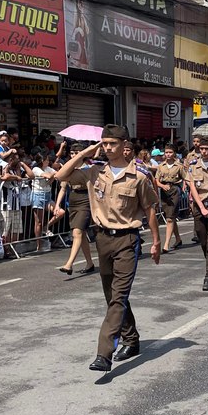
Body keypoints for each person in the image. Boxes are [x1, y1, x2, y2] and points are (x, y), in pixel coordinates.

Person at [54, 124, 161, 375]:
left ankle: (104, 354)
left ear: (125, 146)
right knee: (113, 295)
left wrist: (156, 242)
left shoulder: (140, 176)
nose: (107, 148)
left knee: (118, 296)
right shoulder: (94, 172)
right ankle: (131, 338)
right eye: (104, 143)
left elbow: (150, 210)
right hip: (102, 239)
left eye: (112, 143)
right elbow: (60, 177)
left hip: (127, 240)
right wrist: (82, 154)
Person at [53, 143, 96, 275]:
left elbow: (92, 189)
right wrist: (57, 205)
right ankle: (90, 263)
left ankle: (69, 264)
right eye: (71, 153)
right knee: (80, 234)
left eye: (76, 153)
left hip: (85, 200)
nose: (73, 155)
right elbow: (63, 187)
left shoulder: (89, 168)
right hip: (73, 199)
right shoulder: (69, 169)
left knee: (77, 232)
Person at [187, 138, 208, 292]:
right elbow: (192, 188)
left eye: (207, 148)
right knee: (203, 242)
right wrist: (201, 208)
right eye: (201, 148)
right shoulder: (194, 165)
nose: (204, 151)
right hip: (199, 206)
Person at [155, 145, 186, 253]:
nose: (168, 154)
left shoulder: (179, 166)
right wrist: (162, 186)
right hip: (164, 191)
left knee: (169, 218)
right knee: (170, 216)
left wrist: (183, 186)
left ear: (174, 154)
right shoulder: (161, 166)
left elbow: (185, 178)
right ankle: (178, 238)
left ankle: (166, 244)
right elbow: (156, 180)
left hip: (174, 190)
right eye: (166, 152)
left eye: (170, 152)